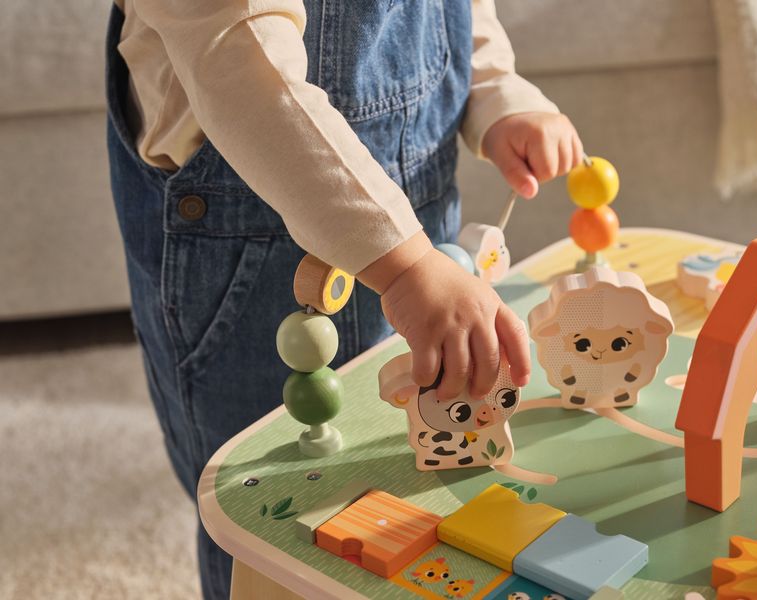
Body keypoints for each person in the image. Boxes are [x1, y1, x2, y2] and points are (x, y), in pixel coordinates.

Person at [105, 0, 584, 597]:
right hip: (250, 257)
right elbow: (245, 70)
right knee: (269, 512)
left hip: (423, 242)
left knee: (409, 505)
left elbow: (455, 15)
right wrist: (406, 267)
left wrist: (500, 95)